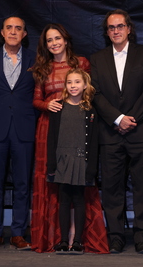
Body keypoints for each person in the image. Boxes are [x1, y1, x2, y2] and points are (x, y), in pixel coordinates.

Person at [30, 23, 107, 254]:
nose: (54, 43)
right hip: (50, 126)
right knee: (57, 184)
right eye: (49, 40)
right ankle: (57, 236)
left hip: (78, 126)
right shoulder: (42, 67)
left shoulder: (81, 63)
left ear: (65, 40)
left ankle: (78, 236)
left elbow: (90, 94)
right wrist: (46, 104)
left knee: (79, 188)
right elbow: (35, 100)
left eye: (57, 39)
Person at [90, 9, 143, 254]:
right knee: (111, 189)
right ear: (106, 32)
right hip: (109, 133)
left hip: (141, 132)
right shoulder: (96, 59)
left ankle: (142, 237)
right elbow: (95, 93)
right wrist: (117, 119)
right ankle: (116, 236)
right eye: (111, 27)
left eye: (120, 26)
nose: (115, 31)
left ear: (129, 28)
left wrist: (131, 119)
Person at [0, 16, 36, 250]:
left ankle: (18, 233)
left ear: (24, 34)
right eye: (9, 28)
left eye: (18, 28)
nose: (13, 32)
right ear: (2, 32)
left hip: (24, 129)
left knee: (23, 184)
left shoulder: (36, 59)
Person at [46, 68, 99, 255]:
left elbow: (93, 141)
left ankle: (77, 241)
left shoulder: (90, 110)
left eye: (77, 82)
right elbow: (51, 137)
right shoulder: (58, 108)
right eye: (69, 82)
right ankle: (62, 240)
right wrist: (51, 164)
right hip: (62, 159)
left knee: (78, 199)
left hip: (80, 160)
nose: (73, 86)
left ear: (85, 85)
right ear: (65, 85)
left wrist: (91, 167)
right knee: (63, 199)